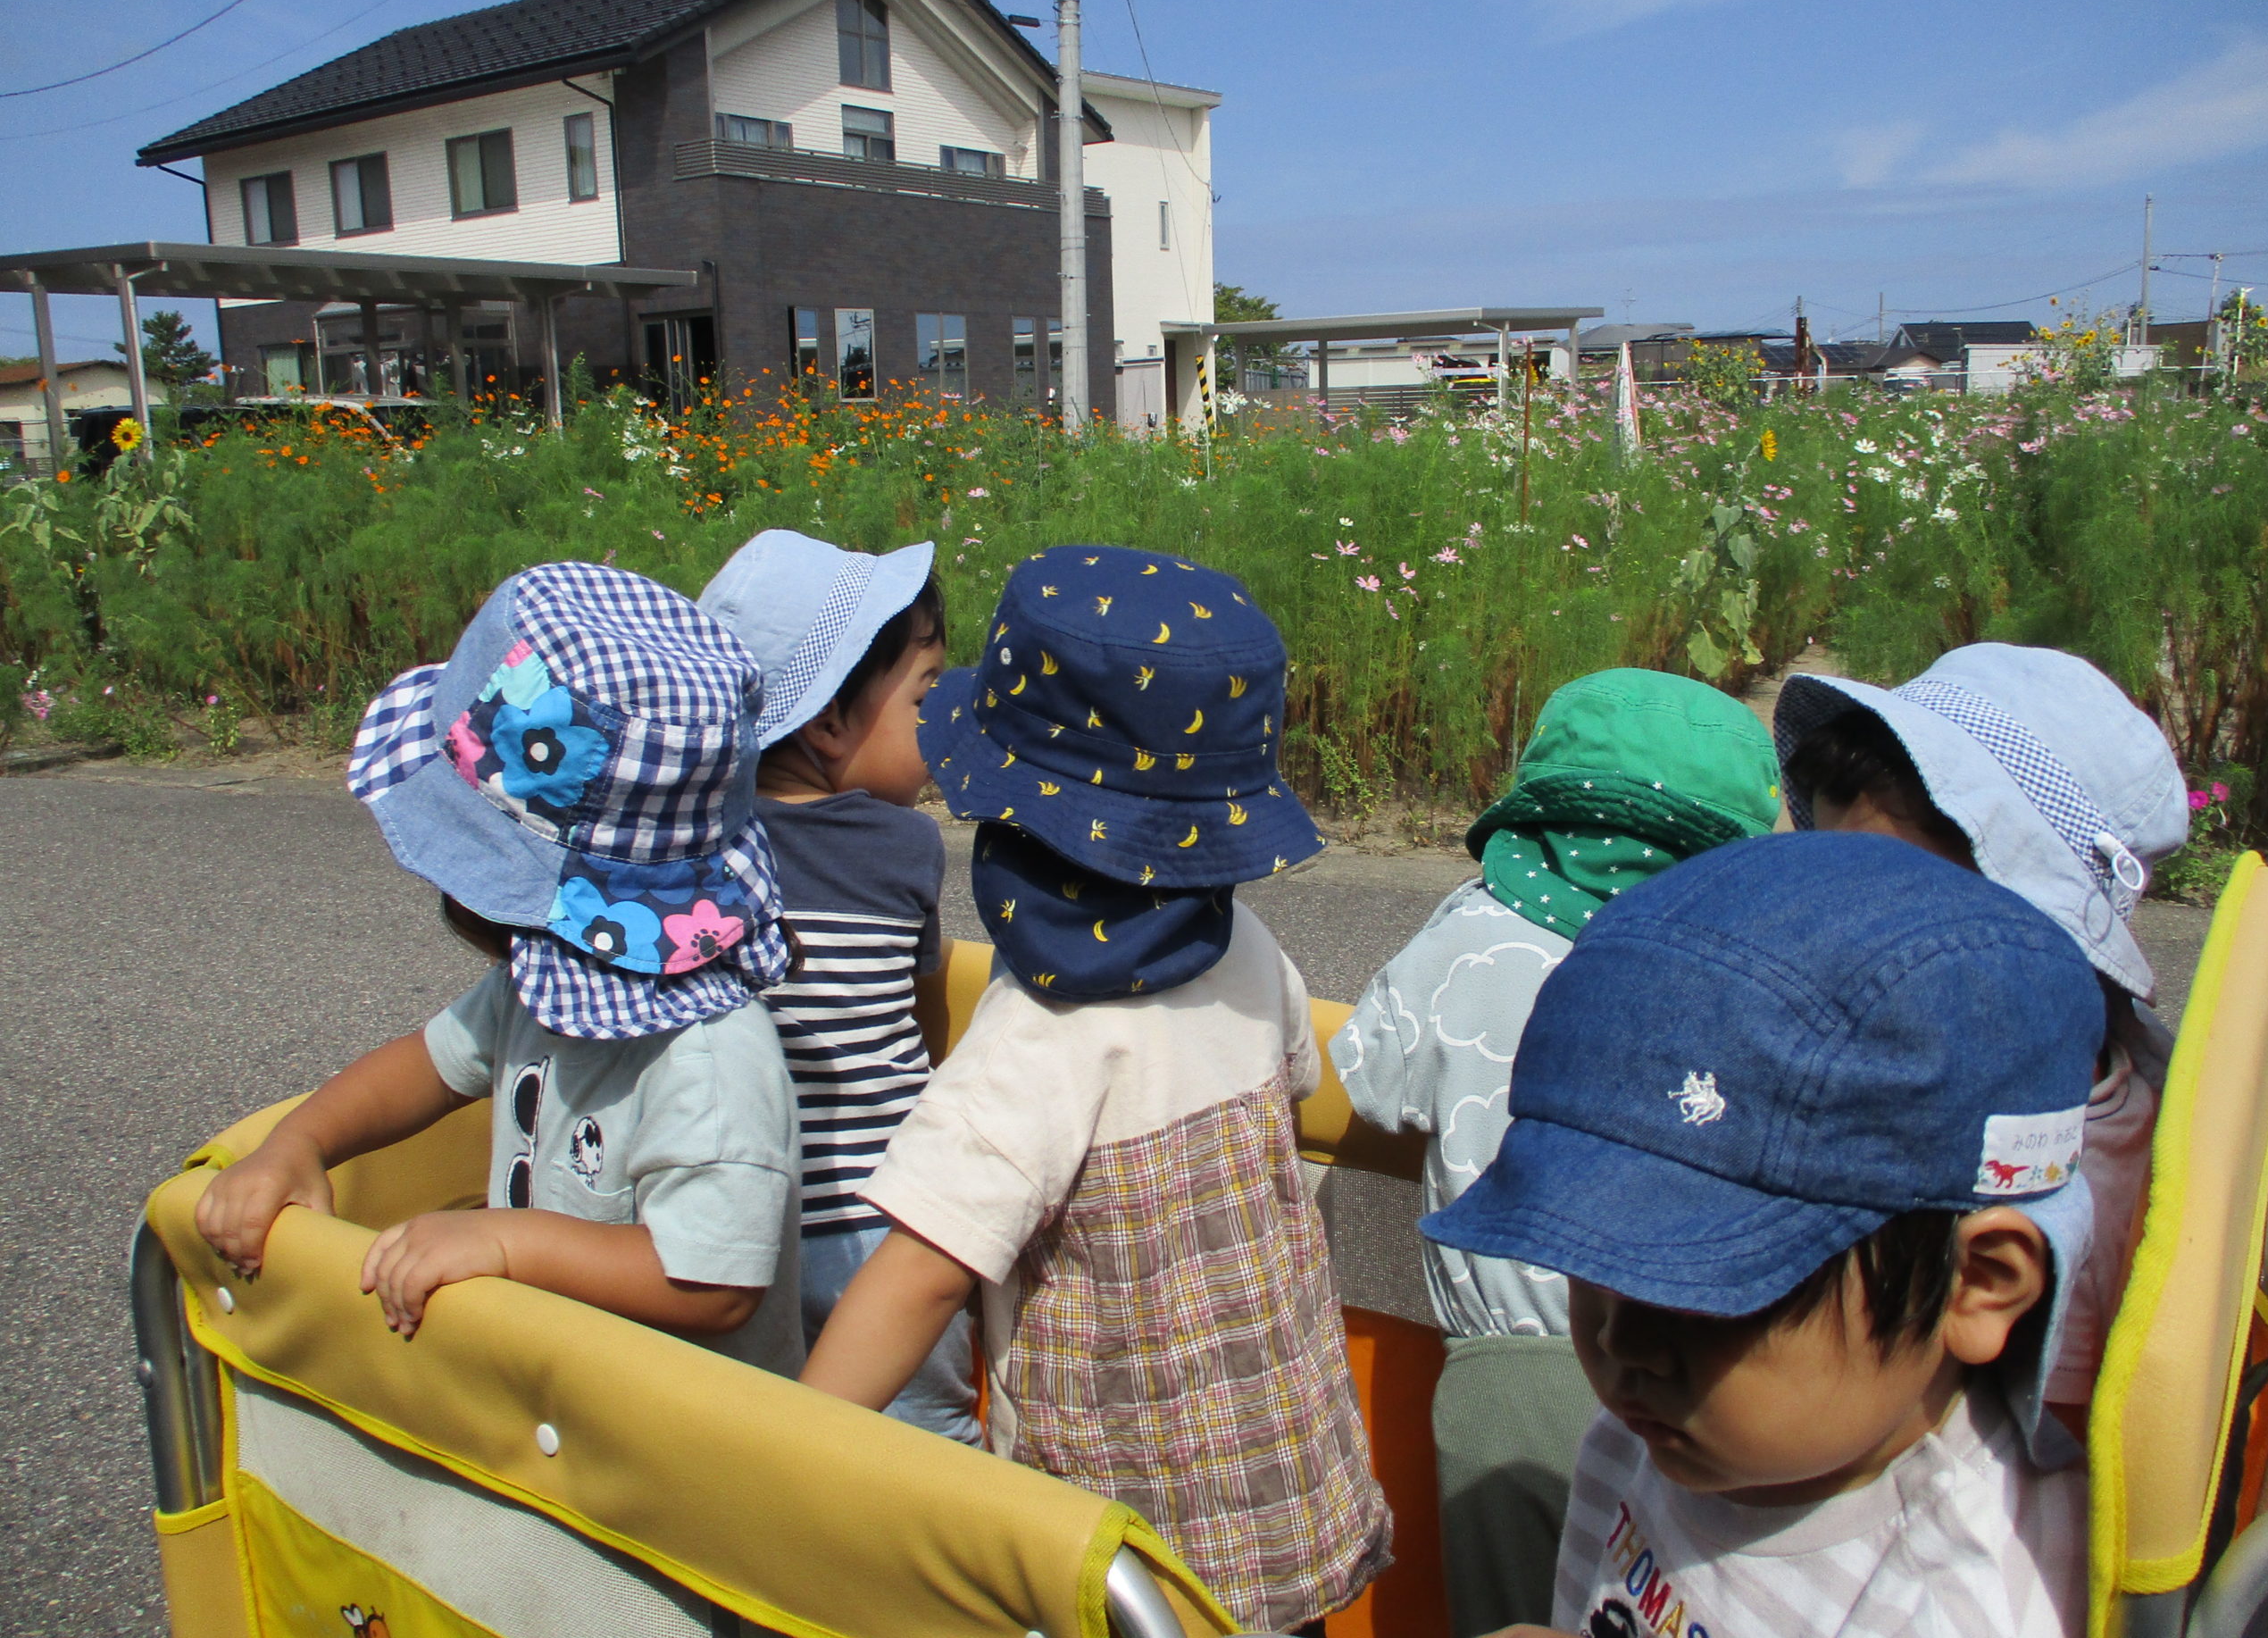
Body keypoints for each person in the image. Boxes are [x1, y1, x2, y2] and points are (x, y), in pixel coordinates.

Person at [800, 544, 1392, 1630]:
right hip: (1284, 1505)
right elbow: (1294, 1082)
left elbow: (919, 1275)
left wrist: (776, 1454)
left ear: (1010, 817)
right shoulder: (1246, 950)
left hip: (1127, 1565)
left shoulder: (1036, 1039)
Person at [1425, 832, 2103, 1638]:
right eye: (1588, 1259)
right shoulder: (1673, 1426)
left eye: (1700, 1288)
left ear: (1978, 1282)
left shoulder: (1955, 1609)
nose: (1620, 1340)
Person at [195, 561, 805, 1374]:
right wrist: (297, 1144)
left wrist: (507, 1242)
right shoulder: (545, 977)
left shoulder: (712, 1059)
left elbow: (713, 1284)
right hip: (553, 1403)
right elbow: (427, 1065)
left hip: (675, 1436)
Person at [1330, 667, 1781, 1634]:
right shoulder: (1738, 968)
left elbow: (1370, 1081)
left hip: (1509, 1371)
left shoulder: (1473, 932)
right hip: (1699, 1362)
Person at [1776, 642, 2188, 1417]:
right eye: (1826, 888)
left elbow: (2051, 1433)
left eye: (1896, 913)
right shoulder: (1944, 1043)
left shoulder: (2067, 1169)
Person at [697, 530, 977, 1441]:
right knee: (921, 1444)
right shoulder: (902, 847)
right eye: (923, 699)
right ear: (825, 724)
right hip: (884, 1231)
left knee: (755, 1442)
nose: (938, 724)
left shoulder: (689, 851)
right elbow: (920, 1022)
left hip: (735, 1226)